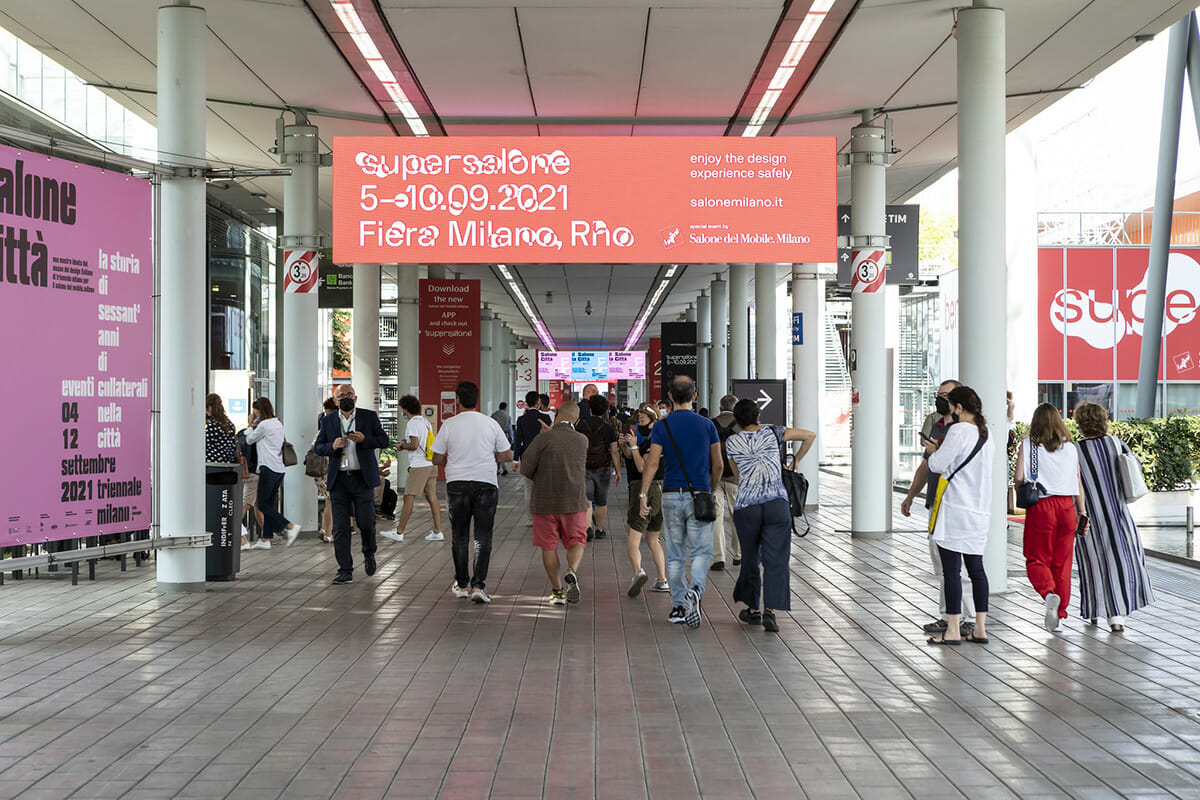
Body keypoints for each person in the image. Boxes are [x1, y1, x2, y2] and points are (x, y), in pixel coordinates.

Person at [724, 398, 815, 633]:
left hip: (747, 506)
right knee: (776, 559)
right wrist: (795, 463)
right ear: (757, 416)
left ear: (736, 419)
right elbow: (809, 436)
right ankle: (771, 612)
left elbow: (736, 475)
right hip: (776, 504)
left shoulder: (732, 441)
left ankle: (753, 610)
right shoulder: (774, 432)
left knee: (751, 557)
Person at [639, 376, 722, 629]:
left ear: (670, 397)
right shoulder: (707, 425)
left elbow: (653, 462)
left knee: (675, 552)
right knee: (701, 551)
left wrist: (643, 494)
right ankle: (695, 589)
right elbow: (717, 464)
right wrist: (712, 488)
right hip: (700, 493)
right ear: (694, 396)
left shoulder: (661, 427)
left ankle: (677, 606)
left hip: (671, 493)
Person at [900, 379, 975, 637]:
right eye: (938, 394)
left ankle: (970, 617)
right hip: (937, 501)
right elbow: (926, 465)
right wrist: (911, 495)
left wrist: (937, 451)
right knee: (941, 564)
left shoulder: (966, 430)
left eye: (945, 395)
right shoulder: (937, 424)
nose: (940, 399)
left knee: (960, 565)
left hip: (958, 504)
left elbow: (947, 462)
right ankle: (948, 615)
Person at [1072, 402, 1155, 632]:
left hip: (1088, 519)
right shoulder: (1116, 443)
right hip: (1118, 516)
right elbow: (1134, 468)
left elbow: (1071, 484)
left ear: (1080, 423)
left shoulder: (1076, 450)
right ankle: (1117, 616)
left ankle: (1095, 611)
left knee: (1094, 564)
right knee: (1122, 563)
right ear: (1102, 420)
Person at [431, 381, 513, 604]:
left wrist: (452, 460)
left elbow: (436, 458)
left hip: (457, 484)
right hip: (486, 483)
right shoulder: (490, 423)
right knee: (483, 536)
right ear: (477, 399)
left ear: (457, 399)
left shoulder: (449, 424)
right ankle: (479, 585)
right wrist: (488, 457)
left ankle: (461, 583)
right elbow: (507, 455)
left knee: (459, 536)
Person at [925, 386, 993, 646]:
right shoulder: (987, 434)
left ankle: (952, 629)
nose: (948, 408)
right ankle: (980, 628)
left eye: (950, 403)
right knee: (977, 570)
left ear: (959, 407)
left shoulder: (958, 430)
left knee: (951, 571)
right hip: (979, 512)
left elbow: (937, 465)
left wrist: (934, 453)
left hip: (955, 512)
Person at [1015, 402, 1087, 632]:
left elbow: (1018, 478)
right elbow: (1077, 482)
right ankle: (1060, 614)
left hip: (1042, 506)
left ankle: (1048, 593)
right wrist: (1082, 511)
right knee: (1062, 563)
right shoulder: (1070, 448)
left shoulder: (1029, 444)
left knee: (1036, 558)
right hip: (1068, 507)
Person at [313, 384, 391, 585]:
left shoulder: (368, 417)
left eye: (349, 395)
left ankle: (369, 553)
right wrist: (332, 446)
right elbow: (319, 447)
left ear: (355, 398)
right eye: (341, 396)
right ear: (335, 400)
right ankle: (345, 569)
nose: (346, 398)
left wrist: (365, 439)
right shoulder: (328, 420)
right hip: (339, 480)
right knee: (340, 527)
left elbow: (384, 440)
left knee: (366, 522)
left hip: (361, 479)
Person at [520, 400, 589, 605]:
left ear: (556, 414)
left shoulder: (544, 438)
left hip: (544, 503)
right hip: (574, 501)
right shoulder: (582, 440)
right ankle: (572, 570)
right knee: (577, 541)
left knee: (548, 547)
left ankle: (558, 591)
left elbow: (526, 467)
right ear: (576, 420)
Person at [619, 403, 668, 596]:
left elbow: (642, 467)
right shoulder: (654, 440)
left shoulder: (654, 443)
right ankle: (662, 579)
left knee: (633, 536)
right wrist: (627, 447)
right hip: (659, 489)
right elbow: (632, 458)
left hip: (644, 488)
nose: (638, 424)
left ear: (653, 421)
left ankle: (638, 572)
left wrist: (633, 447)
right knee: (652, 538)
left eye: (642, 420)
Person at [384, 394, 445, 543]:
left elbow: (415, 445)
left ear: (406, 408)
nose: (402, 412)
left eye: (402, 409)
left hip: (419, 466)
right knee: (432, 496)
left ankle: (399, 532)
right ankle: (437, 531)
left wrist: (402, 446)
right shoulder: (425, 422)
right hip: (430, 464)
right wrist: (407, 442)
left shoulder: (412, 423)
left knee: (408, 497)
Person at [244, 397, 300, 549]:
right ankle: (266, 539)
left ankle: (289, 526)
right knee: (269, 503)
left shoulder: (263, 425)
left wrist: (250, 424)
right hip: (279, 468)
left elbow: (249, 439)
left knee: (262, 504)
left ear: (259, 410)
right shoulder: (277, 422)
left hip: (267, 468)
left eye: (255, 410)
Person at [576, 394, 621, 540]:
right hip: (603, 468)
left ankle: (588, 527)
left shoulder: (580, 425)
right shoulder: (607, 428)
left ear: (590, 408)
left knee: (587, 499)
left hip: (584, 466)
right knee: (601, 501)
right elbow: (613, 451)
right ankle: (599, 530)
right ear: (605, 410)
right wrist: (618, 471)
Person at [710, 395, 742, 570]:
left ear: (720, 408)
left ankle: (718, 558)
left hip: (713, 477)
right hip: (735, 478)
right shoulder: (740, 425)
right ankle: (739, 555)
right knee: (737, 516)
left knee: (716, 518)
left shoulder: (711, 424)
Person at [514, 391, 554, 522]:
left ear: (527, 402)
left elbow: (518, 440)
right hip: (544, 455)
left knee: (529, 488)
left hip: (526, 455)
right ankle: (544, 515)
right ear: (538, 402)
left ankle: (530, 518)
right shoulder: (546, 419)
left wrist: (515, 459)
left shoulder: (521, 420)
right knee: (545, 486)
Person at [316, 397, 337, 543]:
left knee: (329, 501)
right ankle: (328, 533)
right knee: (331, 502)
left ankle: (324, 528)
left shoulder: (321, 428)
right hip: (329, 470)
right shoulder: (332, 428)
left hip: (319, 471)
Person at [205, 393, 239, 463]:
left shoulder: (213, 425)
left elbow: (204, 445)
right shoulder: (229, 424)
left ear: (210, 408)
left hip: (213, 463)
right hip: (228, 462)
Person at [491, 402, 513, 475]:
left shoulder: (493, 415)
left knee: (496, 451)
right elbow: (510, 429)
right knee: (502, 451)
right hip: (505, 435)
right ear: (505, 408)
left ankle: (497, 469)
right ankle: (504, 468)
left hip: (495, 435)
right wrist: (511, 438)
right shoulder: (508, 416)